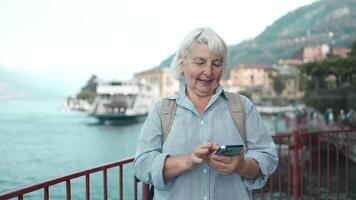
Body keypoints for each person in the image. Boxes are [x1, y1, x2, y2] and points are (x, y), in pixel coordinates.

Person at [134, 27, 278, 200]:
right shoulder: (161, 111)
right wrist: (188, 160)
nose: (208, 72)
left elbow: (267, 158)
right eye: (200, 62)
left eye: (216, 64)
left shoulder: (243, 107)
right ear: (182, 64)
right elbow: (142, 166)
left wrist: (241, 165)